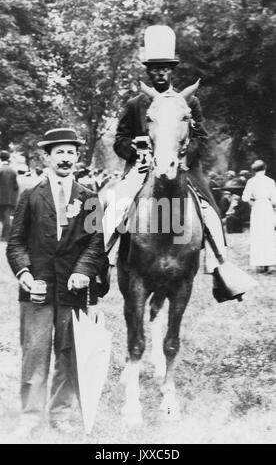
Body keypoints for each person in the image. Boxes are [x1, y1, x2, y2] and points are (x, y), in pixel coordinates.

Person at [106, 25, 255, 301]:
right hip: (143, 169)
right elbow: (119, 141)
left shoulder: (190, 102)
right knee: (113, 205)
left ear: (171, 71)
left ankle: (221, 268)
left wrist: (180, 155)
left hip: (182, 168)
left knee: (210, 211)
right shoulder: (134, 104)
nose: (160, 73)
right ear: (148, 72)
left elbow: (201, 139)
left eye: (165, 69)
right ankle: (104, 261)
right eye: (155, 69)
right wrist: (136, 148)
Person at [6, 128, 109, 438]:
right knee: (35, 351)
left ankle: (60, 412)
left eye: (70, 153)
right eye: (59, 152)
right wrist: (25, 275)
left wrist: (83, 271)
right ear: (47, 158)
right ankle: (30, 414)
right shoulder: (30, 196)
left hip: (73, 287)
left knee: (68, 352)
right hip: (38, 287)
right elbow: (15, 243)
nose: (65, 158)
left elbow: (96, 242)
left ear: (77, 158)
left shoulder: (89, 198)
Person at [242, 159, 276, 273]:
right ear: (265, 169)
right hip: (266, 207)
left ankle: (259, 263)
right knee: (268, 234)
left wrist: (253, 203)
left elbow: (245, 197)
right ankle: (268, 264)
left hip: (257, 208)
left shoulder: (251, 181)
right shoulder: (270, 181)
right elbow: (275, 200)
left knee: (257, 234)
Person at [0, 150, 19, 241]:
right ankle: (5, 236)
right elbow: (16, 187)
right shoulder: (13, 171)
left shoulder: (0, 169)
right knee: (6, 217)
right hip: (9, 200)